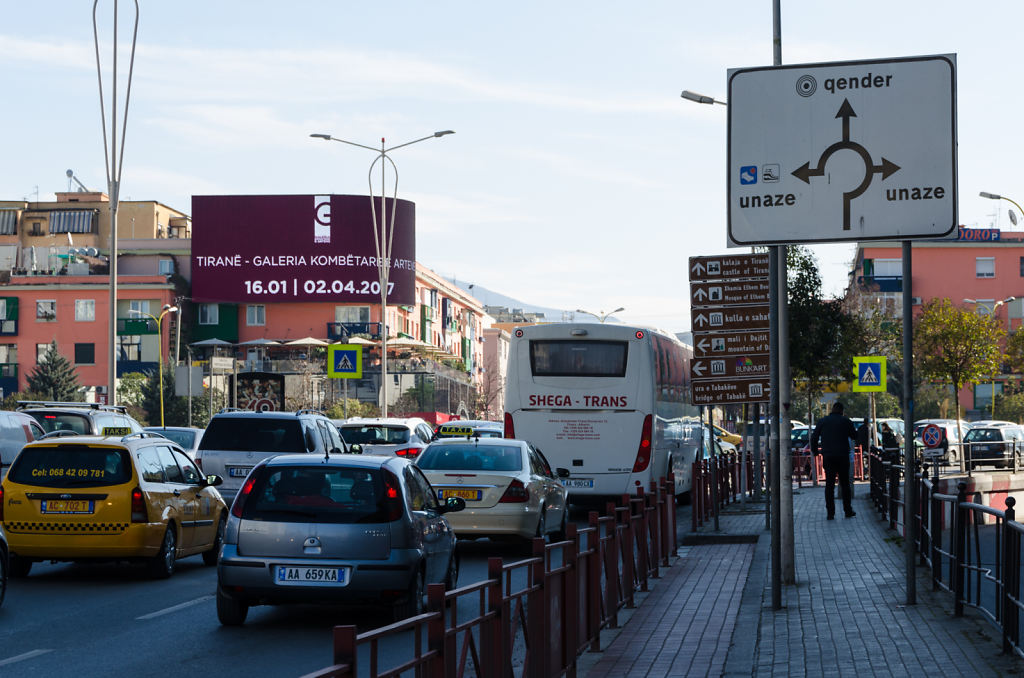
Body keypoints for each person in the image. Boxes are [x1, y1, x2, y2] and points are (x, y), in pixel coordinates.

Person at [811, 401, 859, 520]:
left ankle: (830, 513)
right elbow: (854, 436)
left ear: (832, 409)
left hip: (828, 456)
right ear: (842, 411)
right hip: (843, 456)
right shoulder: (846, 421)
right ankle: (847, 510)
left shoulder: (823, 421)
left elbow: (814, 437)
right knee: (845, 484)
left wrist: (815, 451)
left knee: (829, 485)